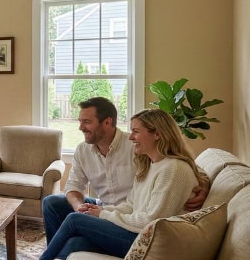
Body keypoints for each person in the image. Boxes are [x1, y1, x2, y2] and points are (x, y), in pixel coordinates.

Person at [5, 108, 200, 260]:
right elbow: (131, 205)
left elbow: (151, 221)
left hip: (147, 240)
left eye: (136, 131)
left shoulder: (172, 169)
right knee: (70, 232)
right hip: (123, 219)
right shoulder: (150, 164)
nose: (132, 137)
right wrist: (91, 210)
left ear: (157, 133)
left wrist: (103, 215)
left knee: (74, 221)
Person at [42, 97, 207, 243]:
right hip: (107, 207)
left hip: (131, 215)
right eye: (80, 121)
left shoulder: (139, 146)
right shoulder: (82, 150)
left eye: (87, 122)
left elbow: (187, 166)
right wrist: (79, 206)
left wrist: (204, 185)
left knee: (75, 222)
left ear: (107, 122)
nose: (80, 127)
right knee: (51, 203)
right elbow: (73, 186)